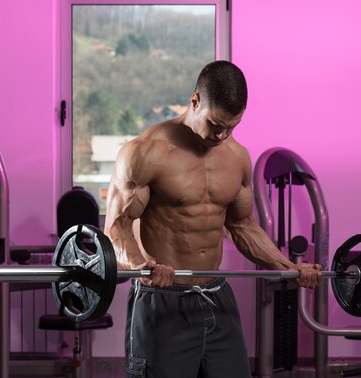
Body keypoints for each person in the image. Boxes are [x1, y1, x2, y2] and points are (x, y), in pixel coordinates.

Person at [103, 60, 322, 378]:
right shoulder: (145, 153)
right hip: (163, 299)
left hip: (216, 297)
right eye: (215, 123)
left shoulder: (237, 158)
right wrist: (140, 264)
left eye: (232, 126)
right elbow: (116, 225)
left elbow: (242, 226)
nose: (221, 134)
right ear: (194, 101)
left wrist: (287, 267)